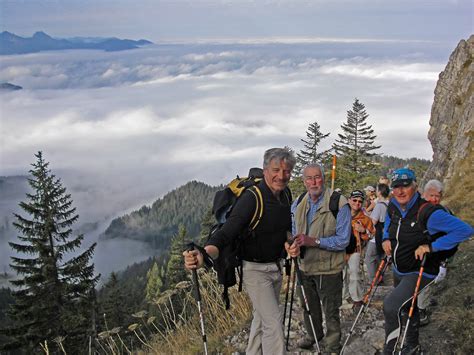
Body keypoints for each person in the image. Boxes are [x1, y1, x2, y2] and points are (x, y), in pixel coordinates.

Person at [183, 148, 300, 355]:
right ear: (265, 170)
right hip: (255, 271)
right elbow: (226, 233)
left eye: (287, 171)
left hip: (276, 267)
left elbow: (283, 228)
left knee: (261, 318)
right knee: (273, 324)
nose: (281, 176)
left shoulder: (285, 194)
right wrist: (204, 255)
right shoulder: (252, 198)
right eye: (276, 170)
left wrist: (291, 241)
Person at [381, 168, 473, 354]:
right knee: (408, 306)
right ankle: (413, 345)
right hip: (399, 269)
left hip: (420, 270)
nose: (400, 190)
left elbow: (466, 230)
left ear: (415, 186)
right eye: (396, 186)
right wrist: (385, 239)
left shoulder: (428, 212)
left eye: (405, 185)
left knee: (391, 307)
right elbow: (388, 224)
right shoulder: (393, 206)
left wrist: (431, 247)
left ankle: (389, 349)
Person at [291, 163, 352, 354]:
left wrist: (314, 241)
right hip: (304, 266)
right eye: (309, 178)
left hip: (329, 269)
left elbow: (343, 240)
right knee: (308, 306)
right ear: (304, 181)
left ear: (323, 178)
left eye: (317, 177)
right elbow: (293, 231)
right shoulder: (298, 202)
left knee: (331, 310)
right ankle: (314, 335)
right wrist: (291, 245)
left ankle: (332, 345)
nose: (313, 182)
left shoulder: (338, 203)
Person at [417, 179, 451, 326]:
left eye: (438, 196)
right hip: (414, 253)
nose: (435, 199)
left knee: (425, 283)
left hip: (432, 255)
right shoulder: (415, 209)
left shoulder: (444, 212)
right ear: (424, 194)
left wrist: (443, 262)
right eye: (432, 195)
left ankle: (421, 310)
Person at [343, 190, 375, 307]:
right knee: (341, 275)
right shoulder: (340, 214)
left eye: (360, 201)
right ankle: (344, 297)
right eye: (354, 200)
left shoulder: (365, 218)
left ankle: (357, 298)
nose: (357, 203)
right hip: (340, 250)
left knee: (355, 274)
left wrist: (363, 230)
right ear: (349, 200)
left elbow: (372, 234)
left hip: (355, 250)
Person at [365, 183, 390, 282]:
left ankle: (374, 280)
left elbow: (373, 222)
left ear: (379, 192)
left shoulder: (379, 205)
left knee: (369, 258)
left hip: (377, 236)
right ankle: (380, 277)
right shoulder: (389, 203)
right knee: (380, 258)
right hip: (385, 235)